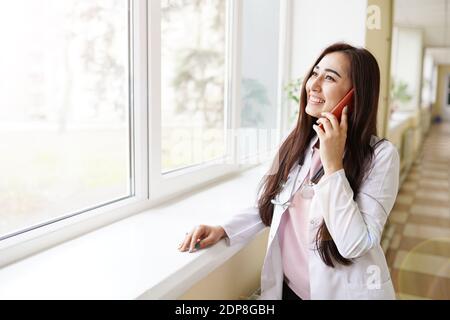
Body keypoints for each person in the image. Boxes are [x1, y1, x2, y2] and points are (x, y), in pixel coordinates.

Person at [178, 42, 400, 300]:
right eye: (315, 73)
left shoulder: (381, 156)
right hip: (289, 291)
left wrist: (333, 166)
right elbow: (273, 204)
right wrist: (224, 230)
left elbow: (354, 245)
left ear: (355, 94)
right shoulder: (297, 142)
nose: (313, 85)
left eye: (329, 77)